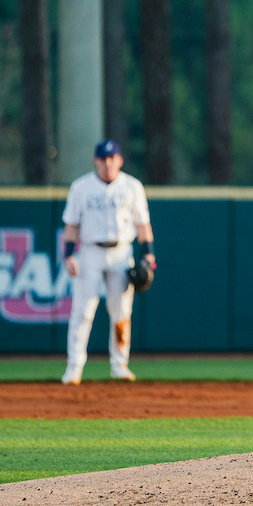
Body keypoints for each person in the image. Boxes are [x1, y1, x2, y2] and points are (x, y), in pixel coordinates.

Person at [60, 140, 156, 385]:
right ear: (96, 161)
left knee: (122, 311)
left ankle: (120, 365)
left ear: (120, 160)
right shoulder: (81, 187)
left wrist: (148, 254)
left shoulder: (132, 186)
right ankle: (74, 367)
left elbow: (143, 224)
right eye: (103, 158)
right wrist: (69, 255)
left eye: (112, 157)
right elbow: (71, 225)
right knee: (82, 311)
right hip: (90, 252)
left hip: (121, 253)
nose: (108, 162)